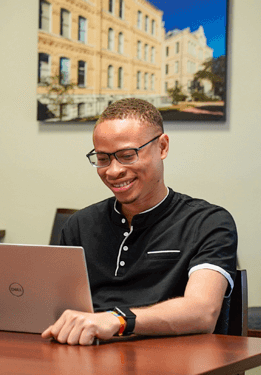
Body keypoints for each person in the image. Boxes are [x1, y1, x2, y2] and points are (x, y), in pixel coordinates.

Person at [42, 98, 237, 345]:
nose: (113, 171)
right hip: (88, 357)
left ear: (162, 147)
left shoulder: (208, 223)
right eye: (103, 159)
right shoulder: (79, 225)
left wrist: (117, 320)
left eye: (127, 155)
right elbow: (61, 310)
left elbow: (202, 312)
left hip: (173, 360)